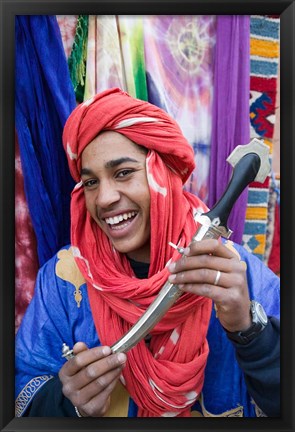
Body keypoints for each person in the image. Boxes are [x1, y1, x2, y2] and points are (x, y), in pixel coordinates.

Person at [15, 88, 280, 418]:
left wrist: (249, 330)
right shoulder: (64, 278)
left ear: (165, 174)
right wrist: (68, 403)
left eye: (123, 173)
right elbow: (22, 386)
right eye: (91, 182)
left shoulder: (235, 276)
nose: (104, 198)